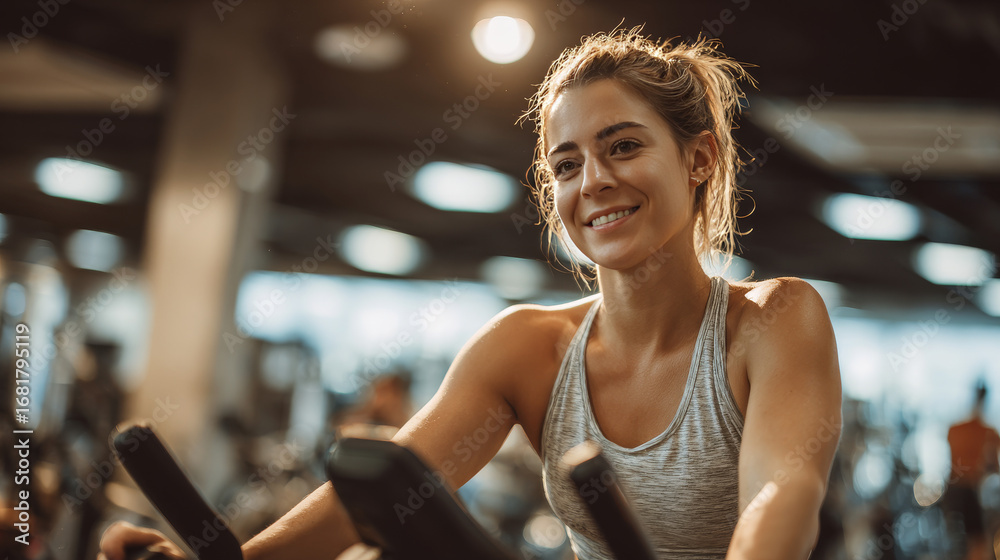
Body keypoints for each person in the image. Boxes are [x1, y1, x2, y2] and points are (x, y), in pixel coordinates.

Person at [99, 28, 842, 560]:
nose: (595, 183)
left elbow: (784, 497)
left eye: (624, 146)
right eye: (568, 164)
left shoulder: (773, 321)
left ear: (699, 157)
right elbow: (375, 501)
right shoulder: (528, 349)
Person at [945, 381, 1000, 560]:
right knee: (977, 541)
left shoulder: (955, 429)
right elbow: (994, 467)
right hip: (969, 492)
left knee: (963, 540)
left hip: (953, 491)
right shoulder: (987, 431)